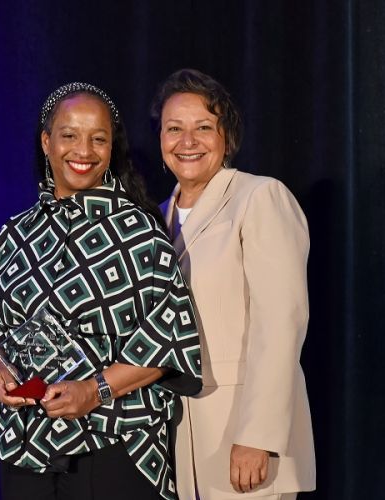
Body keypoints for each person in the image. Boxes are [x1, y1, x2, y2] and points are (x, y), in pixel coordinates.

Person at [0, 82, 202, 500]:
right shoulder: (15, 234)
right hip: (27, 445)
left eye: (99, 138)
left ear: (112, 148)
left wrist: (93, 390)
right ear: (46, 142)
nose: (84, 150)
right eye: (69, 135)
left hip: (115, 444)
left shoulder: (140, 232)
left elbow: (168, 343)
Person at [150, 68, 316, 499]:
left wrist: (258, 434)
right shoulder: (156, 217)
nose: (187, 141)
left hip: (241, 436)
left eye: (204, 127)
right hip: (177, 432)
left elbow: (281, 323)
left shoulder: (259, 197)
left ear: (228, 136)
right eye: (174, 129)